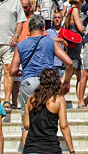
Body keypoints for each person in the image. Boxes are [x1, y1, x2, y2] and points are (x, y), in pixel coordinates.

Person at [10, 14, 73, 144]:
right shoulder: (50, 42)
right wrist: (65, 81)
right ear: (43, 28)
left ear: (28, 29)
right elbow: (69, 63)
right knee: (48, 118)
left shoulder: (21, 45)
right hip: (47, 83)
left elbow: (12, 71)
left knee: (25, 123)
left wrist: (25, 72)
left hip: (28, 82)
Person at [23, 69, 74, 154]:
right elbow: (64, 126)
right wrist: (71, 151)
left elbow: (26, 125)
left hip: (31, 147)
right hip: (50, 147)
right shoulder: (58, 100)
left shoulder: (31, 99)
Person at [63, 0, 86, 98]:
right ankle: (80, 100)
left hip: (70, 44)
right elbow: (79, 27)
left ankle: (80, 100)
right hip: (75, 44)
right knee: (76, 73)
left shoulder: (68, 10)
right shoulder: (75, 10)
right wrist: (86, 30)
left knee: (75, 72)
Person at [46, 12, 67, 78]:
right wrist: (60, 40)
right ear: (53, 19)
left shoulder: (66, 32)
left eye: (59, 17)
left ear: (62, 19)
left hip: (62, 64)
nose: (57, 19)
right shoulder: (48, 32)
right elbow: (45, 41)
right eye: (55, 17)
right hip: (50, 64)